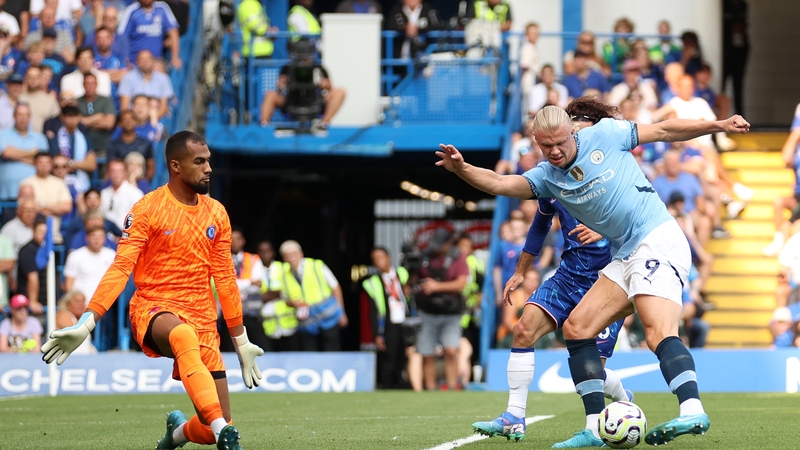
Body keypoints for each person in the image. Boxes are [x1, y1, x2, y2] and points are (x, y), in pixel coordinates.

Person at [436, 102, 751, 445]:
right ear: (536, 142)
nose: (555, 151)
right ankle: (595, 428)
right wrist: (462, 169)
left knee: (657, 333)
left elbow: (663, 130)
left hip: (657, 238)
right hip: (624, 254)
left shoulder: (605, 134)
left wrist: (719, 125)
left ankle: (691, 410)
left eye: (561, 142)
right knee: (576, 329)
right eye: (547, 146)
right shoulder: (547, 177)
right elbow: (499, 182)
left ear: (573, 132)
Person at [42, 130, 263, 450]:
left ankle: (180, 432)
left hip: (203, 319)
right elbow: (120, 268)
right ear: (176, 166)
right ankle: (220, 428)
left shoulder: (217, 213)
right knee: (184, 338)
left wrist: (240, 341)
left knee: (212, 426)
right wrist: (87, 321)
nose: (208, 168)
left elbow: (225, 280)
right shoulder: (147, 209)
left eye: (209, 161)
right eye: (199, 162)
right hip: (154, 309)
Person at [472, 98, 632, 445]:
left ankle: (618, 404)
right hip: (571, 273)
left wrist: (606, 230)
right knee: (524, 329)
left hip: (611, 276)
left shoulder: (615, 164)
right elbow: (541, 222)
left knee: (590, 368)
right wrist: (520, 271)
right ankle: (514, 417)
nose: (574, 133)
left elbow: (640, 209)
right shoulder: (553, 177)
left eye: (578, 126)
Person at [413, 227, 468, 390]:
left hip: (450, 312)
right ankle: (430, 389)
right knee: (427, 353)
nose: (436, 248)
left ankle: (451, 388)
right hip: (427, 310)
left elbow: (461, 283)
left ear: (449, 243)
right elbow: (414, 279)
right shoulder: (424, 256)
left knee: (451, 351)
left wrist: (437, 287)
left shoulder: (458, 256)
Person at [258, 40, 346, 132]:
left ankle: (324, 123)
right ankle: (264, 125)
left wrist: (326, 85)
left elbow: (330, 89)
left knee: (340, 92)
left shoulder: (318, 68)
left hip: (315, 101)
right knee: (270, 94)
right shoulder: (288, 68)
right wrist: (281, 85)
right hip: (292, 101)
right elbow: (279, 90)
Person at [276, 239, 347, 351]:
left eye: (293, 255)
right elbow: (284, 298)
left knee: (331, 349)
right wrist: (292, 303)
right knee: (309, 351)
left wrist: (341, 312)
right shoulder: (284, 275)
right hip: (307, 321)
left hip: (328, 316)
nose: (291, 259)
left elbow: (335, 287)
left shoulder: (316, 265)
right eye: (287, 256)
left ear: (301, 254)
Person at [364, 246, 410, 389]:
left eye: (381, 257)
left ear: (388, 257)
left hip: (407, 320)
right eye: (375, 259)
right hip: (388, 322)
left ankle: (404, 384)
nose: (378, 261)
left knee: (406, 354)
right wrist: (376, 334)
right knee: (388, 356)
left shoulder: (402, 273)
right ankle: (387, 386)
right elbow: (373, 311)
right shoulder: (371, 282)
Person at [0, 103, 49, 202]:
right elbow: (6, 153)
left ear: (30, 117)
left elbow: (42, 162)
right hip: (7, 193)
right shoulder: (2, 134)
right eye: (19, 115)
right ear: (14, 116)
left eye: (26, 115)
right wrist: (32, 152)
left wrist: (14, 154)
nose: (22, 118)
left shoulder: (40, 138)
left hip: (35, 194)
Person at [117, 0, 181, 69]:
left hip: (156, 62)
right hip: (135, 62)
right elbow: (121, 36)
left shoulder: (162, 8)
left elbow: (173, 31)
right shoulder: (132, 11)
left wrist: (175, 56)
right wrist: (125, 60)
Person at [63, 226, 116, 301]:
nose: (97, 240)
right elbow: (69, 285)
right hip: (81, 302)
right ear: (86, 238)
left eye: (100, 237)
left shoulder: (111, 255)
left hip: (105, 301)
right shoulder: (75, 256)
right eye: (93, 237)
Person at [100, 159, 144, 230]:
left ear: (125, 173)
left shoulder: (135, 193)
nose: (116, 174)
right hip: (106, 237)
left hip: (127, 236)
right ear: (108, 173)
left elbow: (139, 219)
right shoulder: (103, 194)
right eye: (113, 171)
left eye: (119, 171)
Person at [55, 290, 96, 354]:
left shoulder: (78, 319)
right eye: (77, 301)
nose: (80, 305)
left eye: (83, 302)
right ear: (68, 303)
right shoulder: (63, 315)